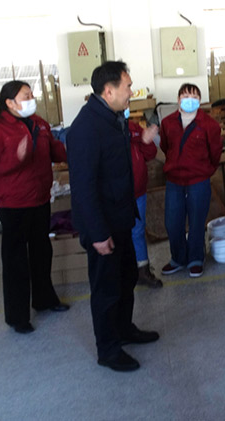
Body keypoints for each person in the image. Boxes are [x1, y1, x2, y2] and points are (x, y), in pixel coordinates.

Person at [68, 61, 159, 372]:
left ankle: (123, 329)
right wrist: (97, 233)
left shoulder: (113, 118)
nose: (131, 92)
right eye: (128, 87)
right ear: (108, 91)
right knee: (106, 289)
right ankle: (108, 349)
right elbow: (83, 188)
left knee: (126, 278)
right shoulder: (86, 128)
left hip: (121, 219)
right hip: (103, 226)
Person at [0, 80, 69, 334]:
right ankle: (17, 316)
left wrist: (76, 149)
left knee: (42, 252)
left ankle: (44, 299)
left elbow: (55, 151)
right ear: (10, 102)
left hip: (40, 198)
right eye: (26, 95)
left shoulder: (39, 123)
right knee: (15, 260)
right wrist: (16, 158)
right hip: (14, 203)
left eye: (32, 94)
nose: (32, 99)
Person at [160, 83, 222, 278]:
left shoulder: (209, 125)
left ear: (200, 101)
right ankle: (178, 258)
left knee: (196, 221)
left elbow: (215, 153)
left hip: (198, 180)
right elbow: (165, 146)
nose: (190, 100)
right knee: (173, 222)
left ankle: (196, 258)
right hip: (174, 181)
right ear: (178, 100)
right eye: (185, 96)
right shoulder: (168, 123)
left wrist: (205, 171)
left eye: (194, 97)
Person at [127, 115, 162, 288]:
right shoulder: (103, 128)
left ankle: (143, 270)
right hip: (117, 194)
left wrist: (146, 141)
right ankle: (125, 272)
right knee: (120, 234)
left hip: (138, 191)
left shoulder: (133, 127)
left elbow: (150, 154)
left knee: (138, 231)